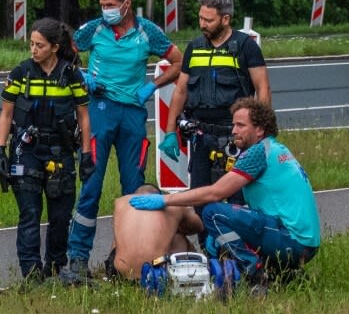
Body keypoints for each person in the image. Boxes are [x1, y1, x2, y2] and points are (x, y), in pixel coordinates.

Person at [62, 0, 183, 284]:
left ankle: (124, 257)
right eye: (102, 6)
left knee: (134, 191)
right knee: (90, 185)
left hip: (132, 115)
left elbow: (180, 61)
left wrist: (152, 86)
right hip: (100, 111)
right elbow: (64, 51)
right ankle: (77, 258)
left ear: (126, 4)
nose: (106, 11)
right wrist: (82, 75)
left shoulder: (148, 32)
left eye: (110, 6)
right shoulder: (95, 29)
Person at [129, 97, 320, 288]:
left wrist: (166, 200)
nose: (234, 130)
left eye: (241, 125)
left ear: (260, 130)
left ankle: (254, 274)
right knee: (229, 226)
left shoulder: (257, 153)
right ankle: (284, 274)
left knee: (213, 212)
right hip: (304, 242)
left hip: (292, 241)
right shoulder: (276, 148)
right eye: (233, 124)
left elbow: (216, 192)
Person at [0, 17, 91, 280]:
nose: (33, 50)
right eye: (31, 44)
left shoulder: (71, 75)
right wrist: (0, 150)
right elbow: (5, 114)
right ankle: (32, 272)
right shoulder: (20, 73)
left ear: (55, 47)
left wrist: (86, 154)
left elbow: (83, 116)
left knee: (60, 216)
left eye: (39, 45)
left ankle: (57, 266)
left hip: (60, 153)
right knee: (30, 214)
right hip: (27, 152)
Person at [160, 0, 270, 190]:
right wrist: (169, 132)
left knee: (238, 200)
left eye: (209, 20)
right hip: (201, 135)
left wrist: (262, 132)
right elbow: (181, 91)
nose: (202, 24)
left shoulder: (246, 47)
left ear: (226, 19)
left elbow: (263, 88)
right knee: (199, 198)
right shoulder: (194, 47)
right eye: (201, 18)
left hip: (236, 135)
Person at [107, 183, 203, 281]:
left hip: (119, 273)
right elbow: (198, 227)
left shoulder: (120, 202)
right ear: (159, 195)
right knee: (179, 237)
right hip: (155, 271)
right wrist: (174, 225)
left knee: (120, 237)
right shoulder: (172, 204)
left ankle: (114, 270)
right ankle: (192, 272)